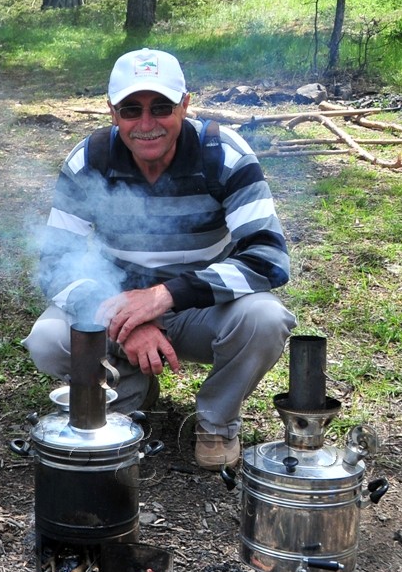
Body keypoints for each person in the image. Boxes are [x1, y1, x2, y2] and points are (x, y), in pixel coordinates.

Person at [23, 48, 296, 470]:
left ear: (185, 106)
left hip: (204, 307)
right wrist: (128, 320)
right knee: (49, 340)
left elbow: (268, 256)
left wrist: (163, 297)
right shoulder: (90, 160)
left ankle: (216, 423)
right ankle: (126, 396)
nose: (146, 125)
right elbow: (56, 260)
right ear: (113, 112)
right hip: (117, 303)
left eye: (161, 108)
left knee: (266, 319)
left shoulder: (223, 155)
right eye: (132, 110)